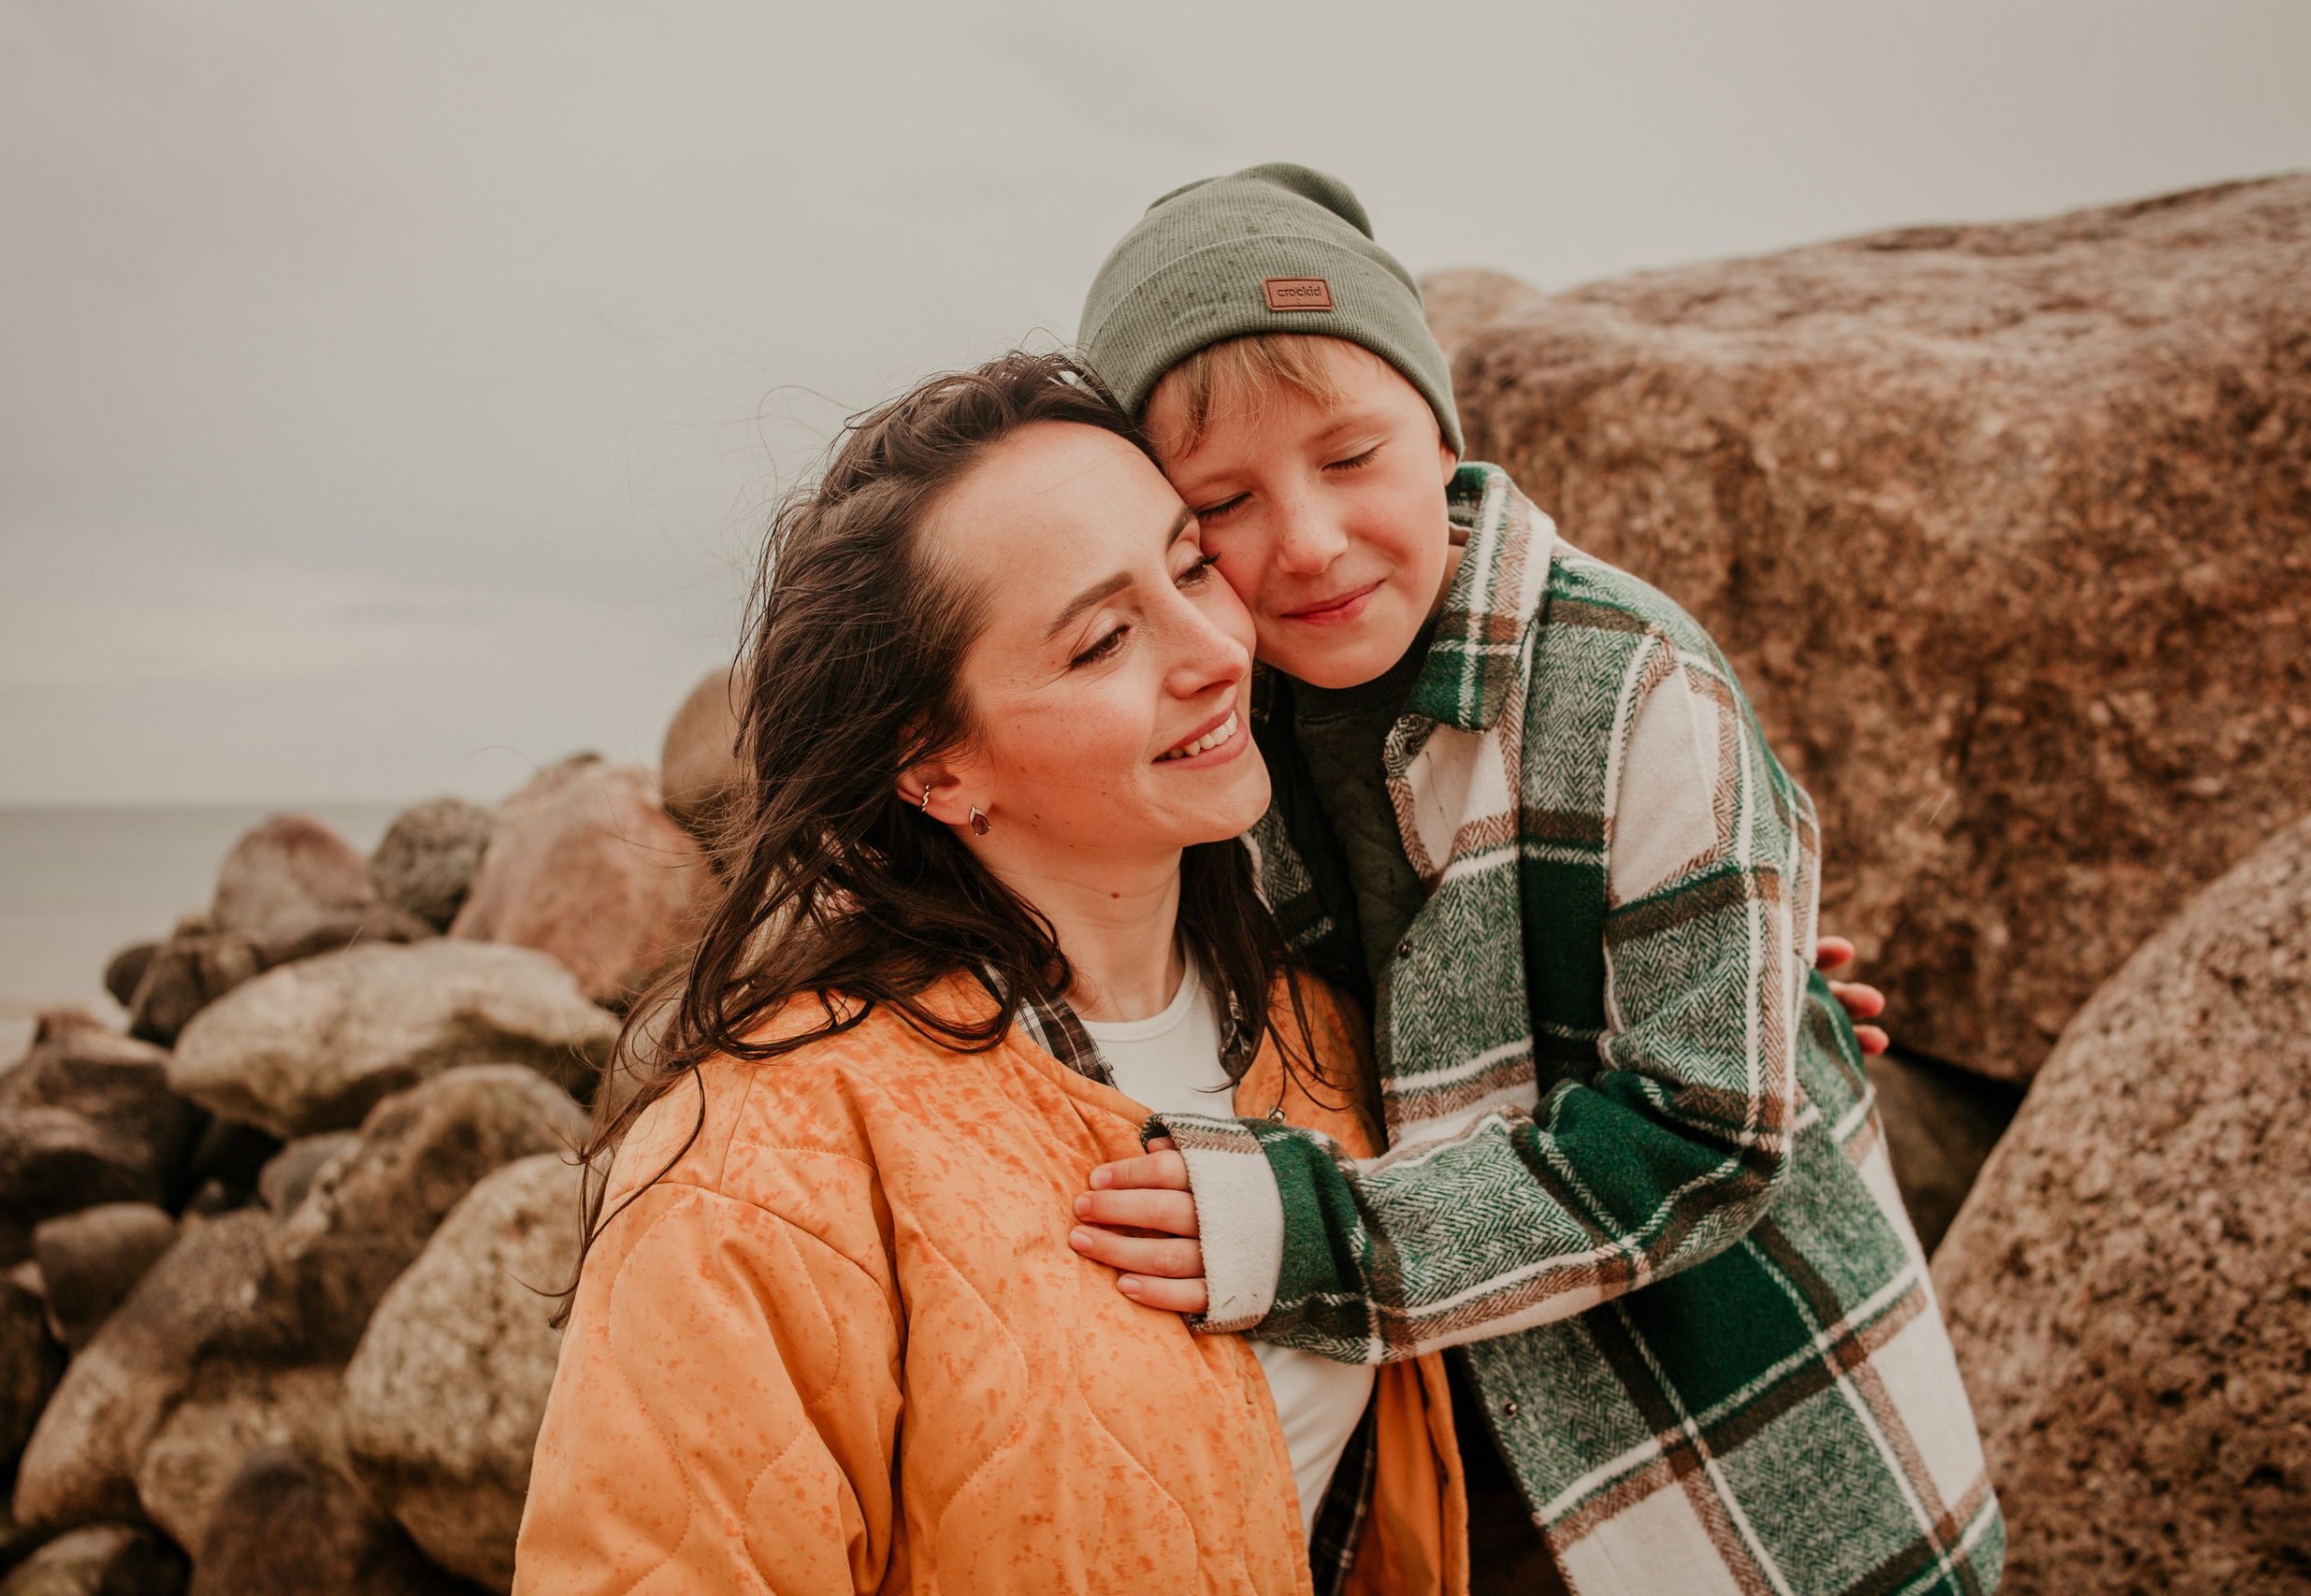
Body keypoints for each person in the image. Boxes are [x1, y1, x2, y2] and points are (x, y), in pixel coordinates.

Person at [1062, 165, 2003, 1596]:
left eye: (1351, 456)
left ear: (1442, 432)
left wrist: (1319, 1238)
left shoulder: (1632, 686)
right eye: (1225, 502)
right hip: (1457, 1451)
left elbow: (1711, 1135)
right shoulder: (1217, 722)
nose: (1307, 541)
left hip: (1747, 1459)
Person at [513, 352, 1469, 1595]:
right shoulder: (761, 1169)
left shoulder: (1326, 1035)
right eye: (1103, 641)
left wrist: (1775, 1031)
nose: (1215, 651)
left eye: (1191, 566)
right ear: (938, 767)